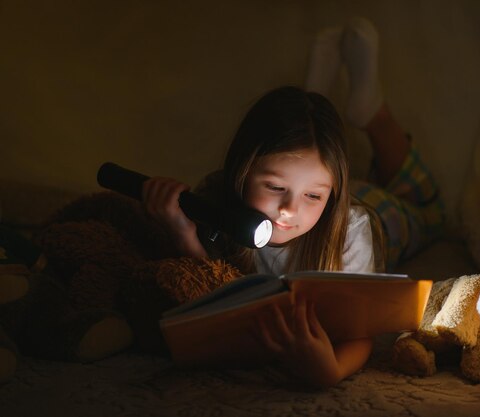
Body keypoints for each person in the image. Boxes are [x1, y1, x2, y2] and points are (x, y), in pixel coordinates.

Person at [142, 17, 444, 388]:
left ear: (331, 192)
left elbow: (358, 334)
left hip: (376, 209)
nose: (289, 210)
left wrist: (329, 370)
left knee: (429, 209)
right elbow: (212, 291)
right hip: (327, 184)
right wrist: (182, 233)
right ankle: (312, 103)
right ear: (242, 171)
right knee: (310, 161)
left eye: (312, 195)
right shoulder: (218, 206)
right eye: (273, 186)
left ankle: (373, 114)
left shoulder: (354, 230)